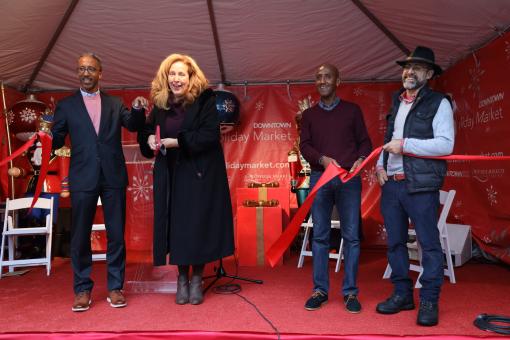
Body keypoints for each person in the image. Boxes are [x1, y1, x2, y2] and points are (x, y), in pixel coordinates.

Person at [51, 53, 147, 312]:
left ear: (100, 73)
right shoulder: (66, 106)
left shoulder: (115, 104)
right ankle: (82, 289)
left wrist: (138, 108)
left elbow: (134, 125)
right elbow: (57, 139)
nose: (85, 73)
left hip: (113, 175)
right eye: (81, 69)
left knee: (116, 234)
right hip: (82, 176)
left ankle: (116, 288)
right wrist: (47, 134)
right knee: (80, 235)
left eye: (91, 69)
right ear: (77, 72)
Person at [138, 54, 234, 305]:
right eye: (172, 74)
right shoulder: (159, 103)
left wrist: (179, 142)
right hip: (170, 174)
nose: (176, 79)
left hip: (198, 173)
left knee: (196, 225)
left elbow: (209, 136)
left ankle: (197, 279)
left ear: (191, 78)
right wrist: (149, 139)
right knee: (177, 226)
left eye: (181, 74)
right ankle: (182, 278)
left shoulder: (204, 100)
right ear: (165, 76)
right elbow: (148, 131)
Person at [375, 46, 455, 326]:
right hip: (392, 185)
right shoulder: (397, 102)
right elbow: (388, 139)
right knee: (395, 243)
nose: (409, 72)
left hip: (420, 185)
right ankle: (402, 294)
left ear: (429, 74)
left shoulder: (439, 103)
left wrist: (406, 146)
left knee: (428, 244)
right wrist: (380, 167)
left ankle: (430, 299)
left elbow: (446, 145)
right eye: (407, 67)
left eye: (418, 68)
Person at [300, 63, 372, 313]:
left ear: (337, 81)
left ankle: (351, 293)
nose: (322, 80)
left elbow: (365, 142)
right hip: (321, 178)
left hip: (348, 180)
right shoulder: (309, 115)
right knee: (319, 236)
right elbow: (304, 146)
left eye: (327, 76)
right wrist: (322, 159)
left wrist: (362, 160)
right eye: (318, 77)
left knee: (351, 237)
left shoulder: (352, 111)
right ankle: (319, 290)